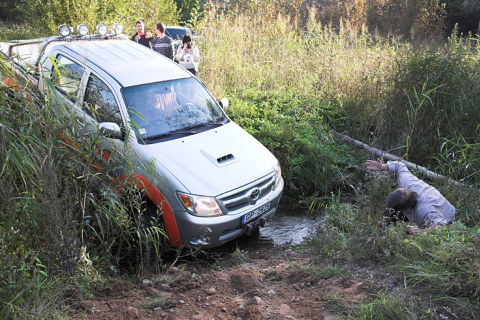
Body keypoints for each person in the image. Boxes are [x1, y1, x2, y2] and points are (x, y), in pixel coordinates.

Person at [365, 158, 455, 235]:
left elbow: (441, 226)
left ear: (406, 210)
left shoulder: (425, 211)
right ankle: (379, 235)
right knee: (388, 213)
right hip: (429, 202)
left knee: (419, 236)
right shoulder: (407, 182)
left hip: (446, 215)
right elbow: (399, 165)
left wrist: (421, 231)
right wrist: (383, 167)